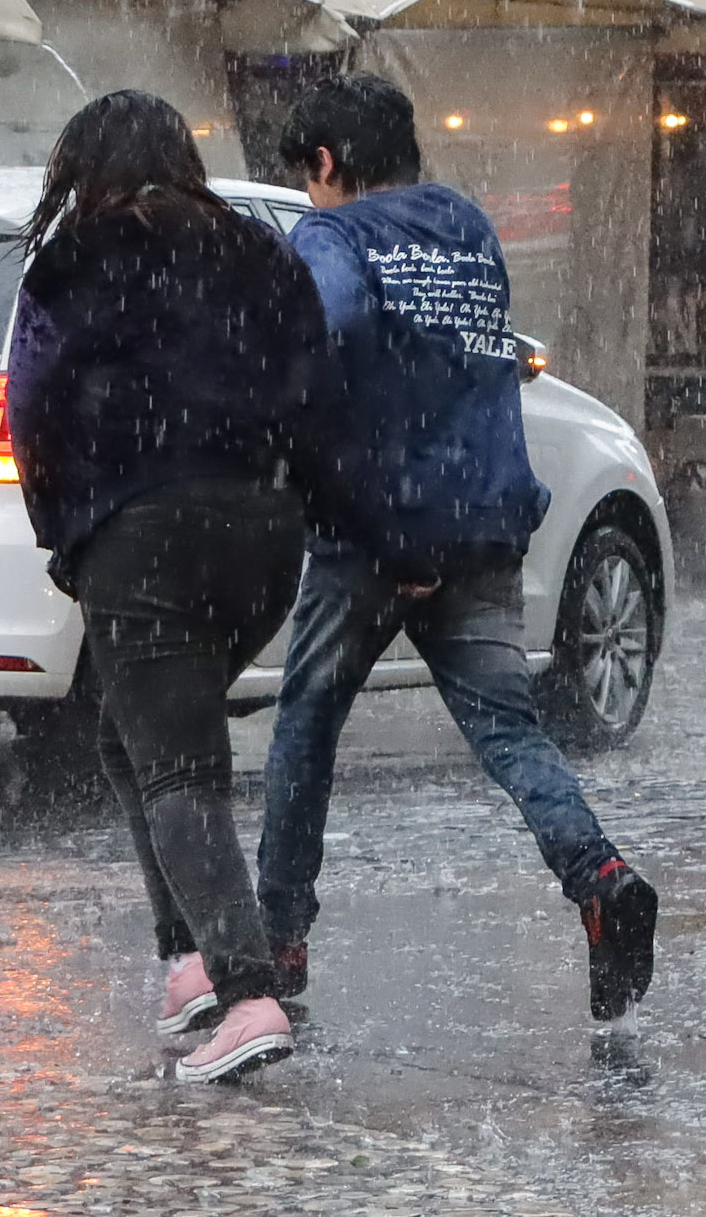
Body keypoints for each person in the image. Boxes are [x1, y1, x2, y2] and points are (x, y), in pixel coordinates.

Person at [254, 72, 660, 1022]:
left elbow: (325, 325)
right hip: (482, 522)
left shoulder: (334, 235)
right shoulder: (471, 229)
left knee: (306, 730)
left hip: (372, 531)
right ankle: (598, 877)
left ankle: (279, 941)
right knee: (510, 732)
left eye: (310, 178)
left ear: (326, 164)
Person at [6, 90, 345, 1083]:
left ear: (83, 167)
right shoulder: (258, 251)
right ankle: (189, 955)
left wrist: (61, 530)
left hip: (141, 527)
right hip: (262, 533)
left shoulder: (74, 257)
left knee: (178, 764)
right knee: (133, 730)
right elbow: (314, 384)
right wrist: (304, 502)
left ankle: (244, 994)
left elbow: (30, 398)